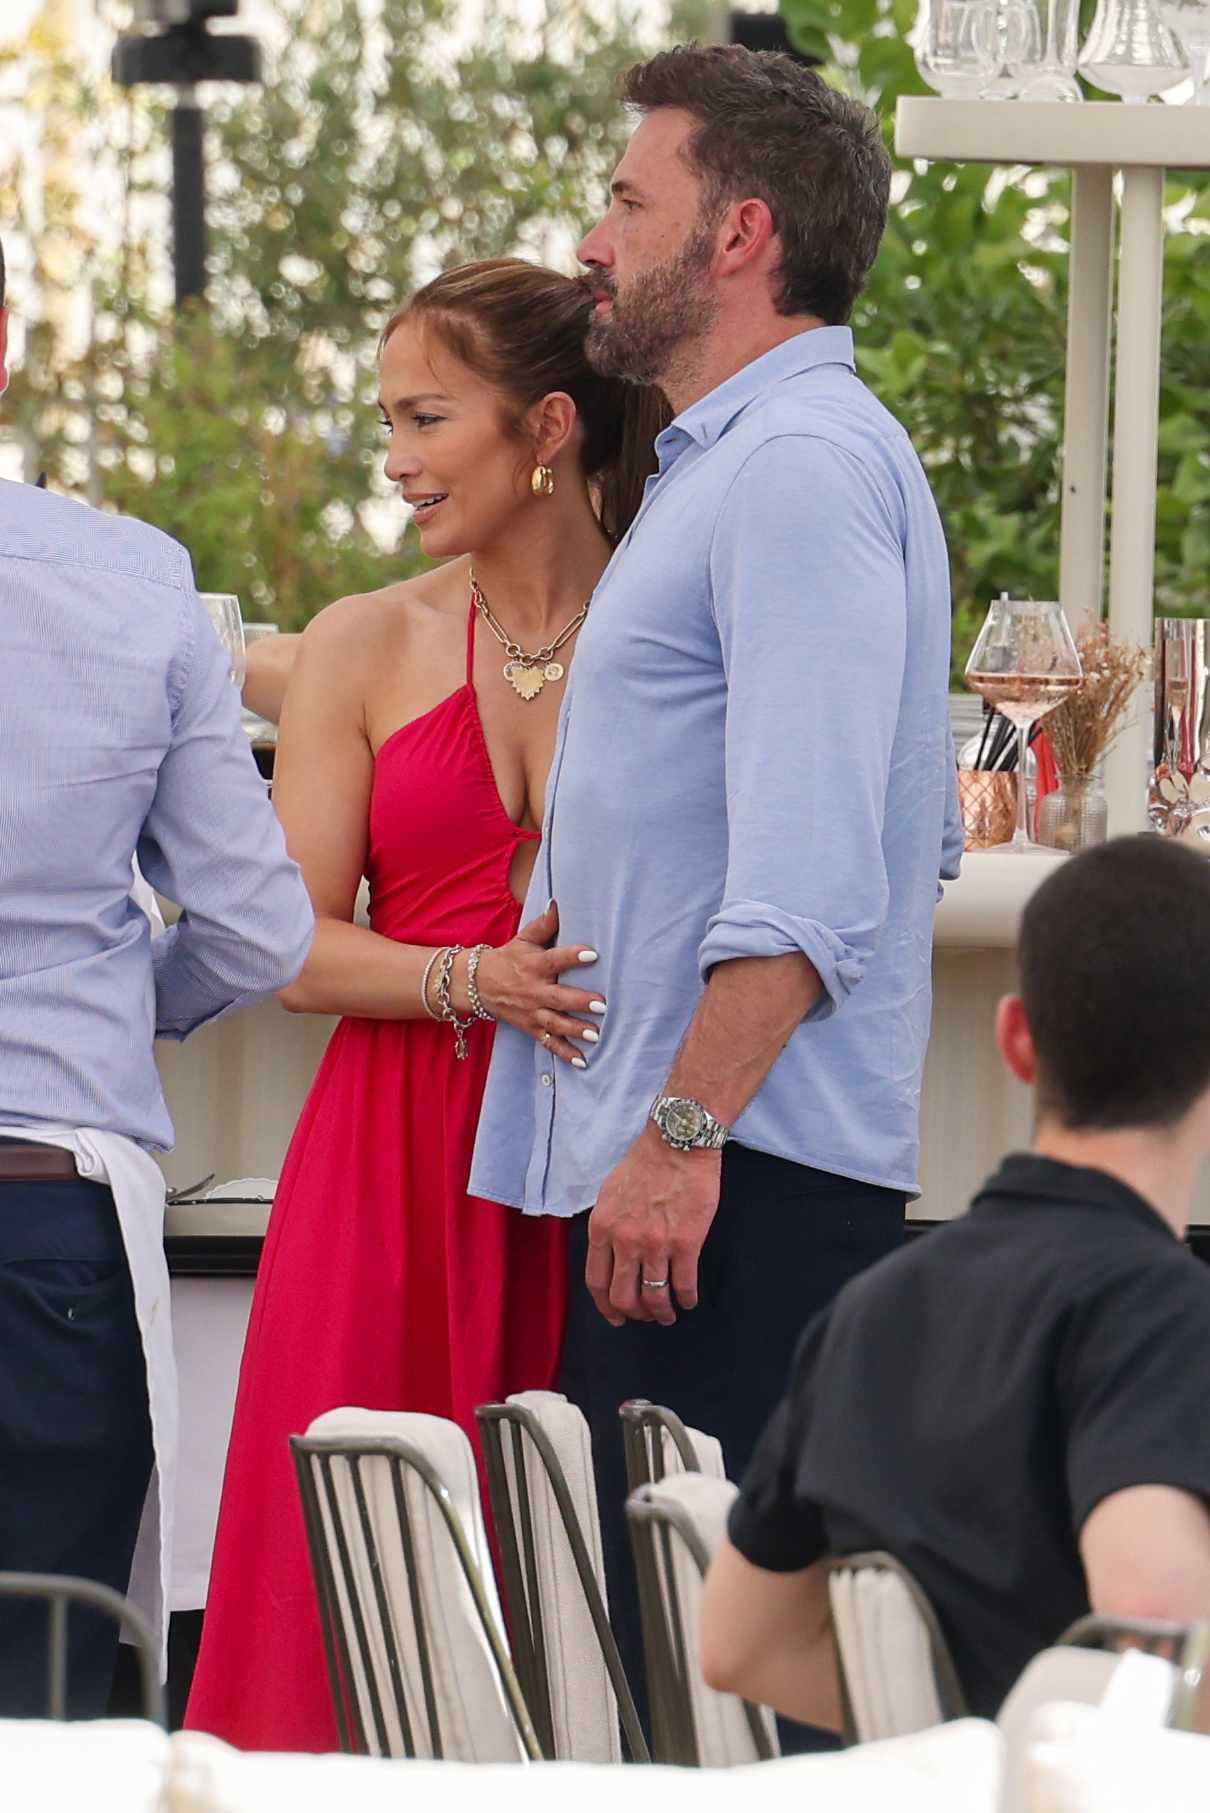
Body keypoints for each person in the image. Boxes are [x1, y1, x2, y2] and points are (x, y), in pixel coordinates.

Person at [470, 44, 961, 1697]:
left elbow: (817, 874)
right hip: (691, 1192)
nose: (596, 241)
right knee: (651, 1694)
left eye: (630, 199)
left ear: (737, 234)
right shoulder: (724, 468)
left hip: (733, 1201)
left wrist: (680, 1139)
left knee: (716, 1714)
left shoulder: (799, 470)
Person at [185, 259, 664, 1753]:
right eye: (384, 421)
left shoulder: (675, 624)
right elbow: (287, 947)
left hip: (600, 1170)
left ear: (546, 428)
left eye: (422, 418)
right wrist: (473, 979)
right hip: (389, 1174)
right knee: (345, 1588)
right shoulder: (358, 642)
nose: (392, 461)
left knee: (569, 1608)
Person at [0, 234, 315, 1717]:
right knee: (50, 1714)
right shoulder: (134, 585)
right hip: (46, 1210)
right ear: (8, 338)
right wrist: (130, 1007)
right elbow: (258, 928)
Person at [703, 835, 1210, 1725]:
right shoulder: (1163, 1316)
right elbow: (1158, 1633)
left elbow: (741, 1644)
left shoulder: (871, 1305)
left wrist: (954, 1730)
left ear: (1016, 1038)